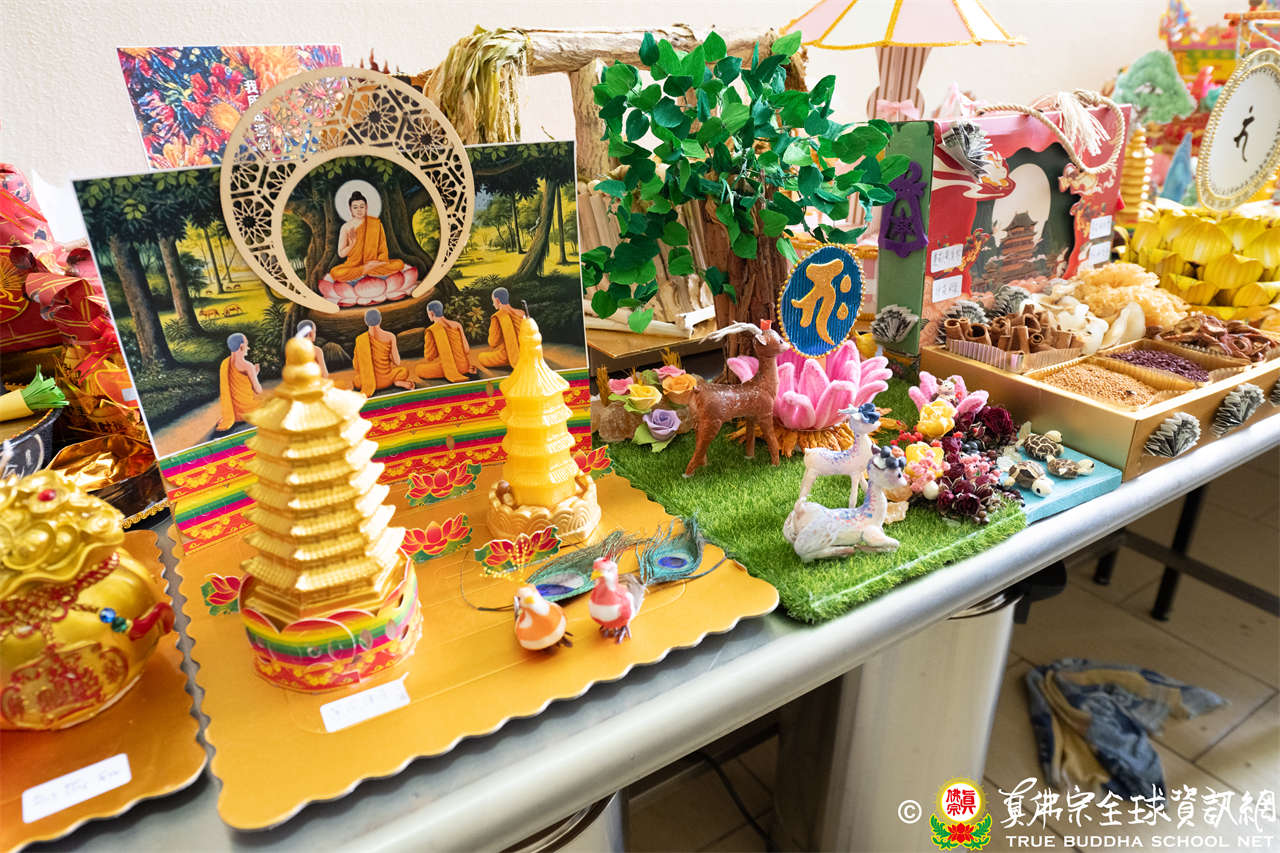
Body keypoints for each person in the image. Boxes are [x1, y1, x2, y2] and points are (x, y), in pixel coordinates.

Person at [328, 191, 405, 281]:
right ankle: (366, 269)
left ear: (366, 207)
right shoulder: (346, 227)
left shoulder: (375, 223)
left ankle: (367, 269)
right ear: (350, 209)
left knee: (399, 263)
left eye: (362, 207)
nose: (359, 210)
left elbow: (382, 248)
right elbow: (341, 254)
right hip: (353, 265)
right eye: (355, 207)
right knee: (335, 272)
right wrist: (352, 244)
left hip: (375, 263)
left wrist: (379, 261)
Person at [352, 308, 413, 395]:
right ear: (380, 320)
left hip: (370, 381)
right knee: (404, 371)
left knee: (356, 381)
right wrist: (390, 357)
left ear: (366, 322)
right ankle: (397, 382)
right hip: (388, 379)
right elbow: (397, 362)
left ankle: (372, 384)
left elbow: (356, 365)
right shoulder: (390, 336)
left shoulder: (360, 339)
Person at [415, 300, 475, 383]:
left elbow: (429, 357)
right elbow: (466, 349)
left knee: (418, 369)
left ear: (431, 313)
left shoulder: (432, 330)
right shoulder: (457, 325)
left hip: (448, 368)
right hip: (465, 367)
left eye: (428, 313)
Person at [216, 332, 263, 431]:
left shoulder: (225, 363)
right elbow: (258, 390)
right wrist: (254, 375)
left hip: (233, 413)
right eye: (247, 345)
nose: (248, 348)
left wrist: (253, 374)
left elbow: (239, 384)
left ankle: (229, 417)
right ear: (241, 347)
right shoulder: (247, 366)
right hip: (247, 411)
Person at [476, 287, 526, 369]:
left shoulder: (497, 316)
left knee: (481, 357)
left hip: (506, 356)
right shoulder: (521, 313)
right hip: (525, 353)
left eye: (493, 301)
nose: (493, 304)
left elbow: (493, 342)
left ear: (497, 300)